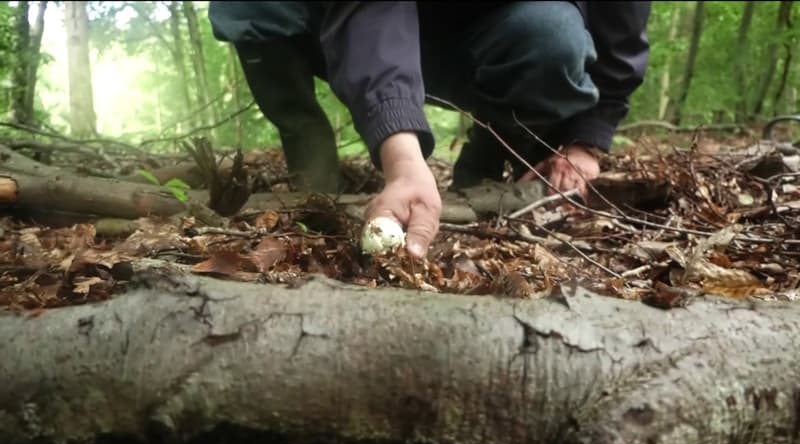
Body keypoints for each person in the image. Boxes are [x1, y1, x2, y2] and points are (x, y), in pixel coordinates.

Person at [208, 2, 651, 259]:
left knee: (553, 37)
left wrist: (587, 140)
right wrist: (402, 158)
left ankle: (490, 152)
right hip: (346, 25)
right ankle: (312, 158)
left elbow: (620, 27)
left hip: (502, 32)